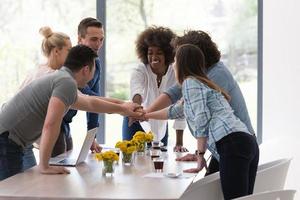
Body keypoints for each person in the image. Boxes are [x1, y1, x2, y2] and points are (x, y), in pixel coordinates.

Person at [0, 45, 143, 180]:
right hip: (6, 139)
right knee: (10, 191)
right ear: (86, 69)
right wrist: (44, 166)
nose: (94, 74)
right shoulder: (66, 83)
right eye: (94, 69)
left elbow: (91, 102)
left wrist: (124, 106)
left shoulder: (63, 80)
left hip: (8, 138)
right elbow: (51, 124)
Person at [145, 44, 259, 200]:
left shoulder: (190, 83)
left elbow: (201, 118)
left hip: (233, 144)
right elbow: (174, 111)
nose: (173, 64)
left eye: (175, 60)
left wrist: (200, 155)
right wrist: (146, 115)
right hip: (246, 142)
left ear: (182, 63)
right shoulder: (200, 84)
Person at [122, 26, 187, 151]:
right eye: (150, 52)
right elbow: (137, 92)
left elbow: (181, 106)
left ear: (168, 54)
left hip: (161, 124)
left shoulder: (175, 72)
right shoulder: (140, 70)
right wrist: (136, 111)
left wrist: (179, 143)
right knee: (132, 162)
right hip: (135, 120)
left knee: (159, 163)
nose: (153, 57)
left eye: (159, 53)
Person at [61, 17, 105, 155]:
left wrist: (92, 137)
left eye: (101, 39)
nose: (98, 44)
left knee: (67, 166)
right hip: (52, 122)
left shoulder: (95, 64)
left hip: (65, 123)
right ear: (80, 39)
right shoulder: (69, 62)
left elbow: (94, 101)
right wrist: (121, 107)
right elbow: (90, 98)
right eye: (93, 39)